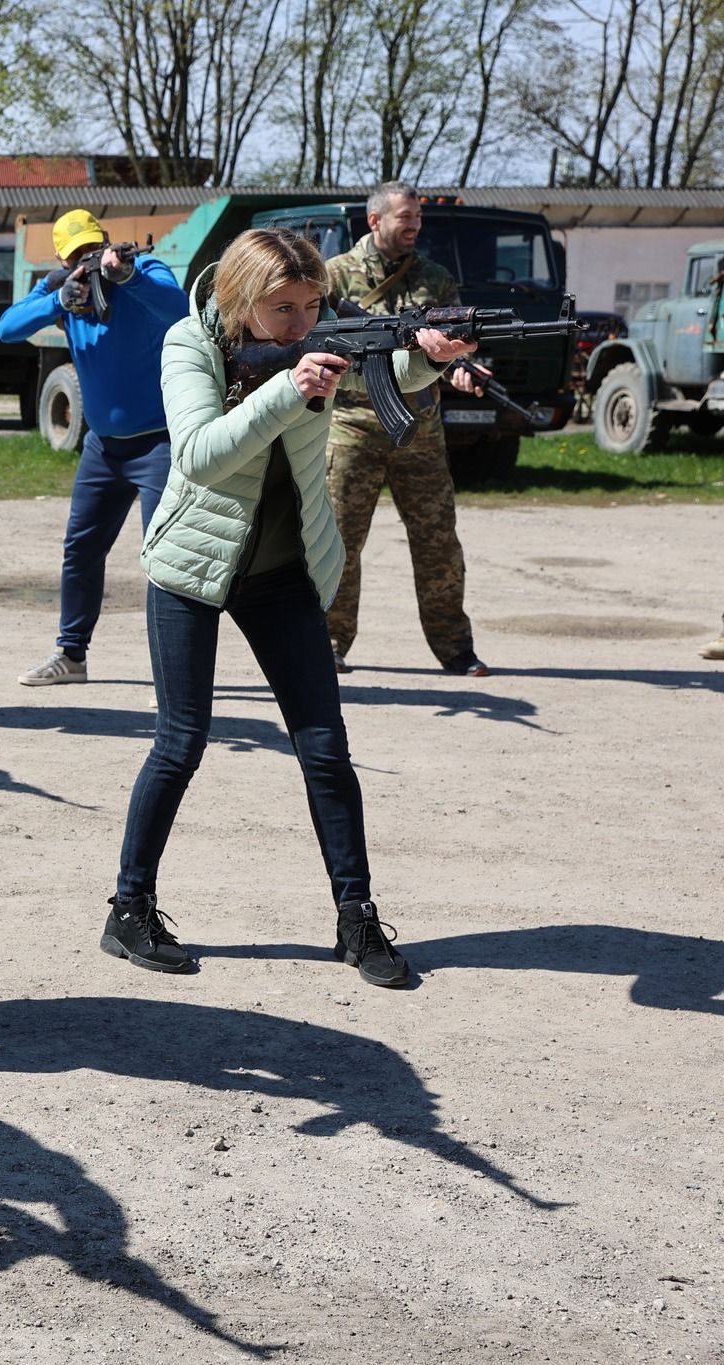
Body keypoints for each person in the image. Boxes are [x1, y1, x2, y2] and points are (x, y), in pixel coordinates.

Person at [103, 227, 476, 990]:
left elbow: (389, 369)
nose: (302, 323)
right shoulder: (189, 343)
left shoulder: (324, 334)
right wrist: (289, 387)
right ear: (243, 299)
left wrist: (430, 358)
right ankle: (129, 909)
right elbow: (200, 455)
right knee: (180, 742)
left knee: (326, 748)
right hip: (193, 567)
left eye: (311, 306)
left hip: (284, 571)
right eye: (283, 310)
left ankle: (356, 917)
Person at [0, 210, 187, 688]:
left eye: (92, 248)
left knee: (164, 558)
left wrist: (128, 277)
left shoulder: (145, 269)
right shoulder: (65, 290)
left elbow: (181, 309)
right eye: (77, 254)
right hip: (102, 448)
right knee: (80, 550)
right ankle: (71, 655)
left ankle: (173, 676)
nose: (88, 259)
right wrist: (57, 298)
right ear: (63, 260)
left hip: (159, 443)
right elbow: (6, 329)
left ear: (106, 242)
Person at [323, 183, 491, 677]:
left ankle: (455, 649)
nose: (414, 224)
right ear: (375, 220)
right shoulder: (334, 276)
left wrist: (459, 366)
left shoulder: (435, 278)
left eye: (418, 217)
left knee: (439, 543)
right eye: (405, 217)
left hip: (419, 430)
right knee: (338, 543)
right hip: (351, 428)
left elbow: (455, 339)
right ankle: (329, 643)